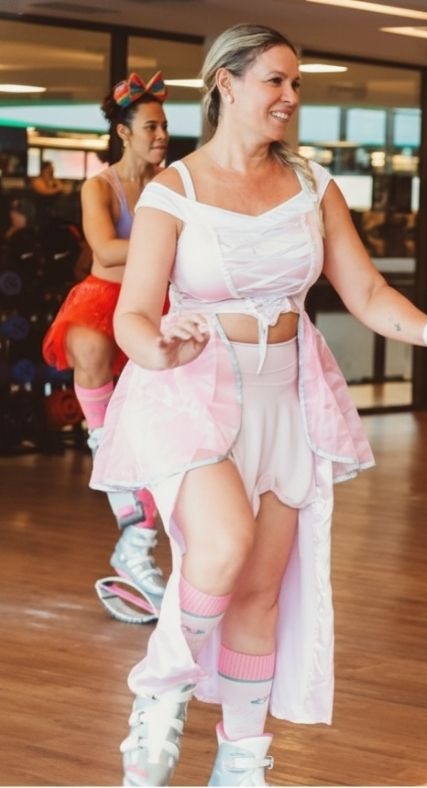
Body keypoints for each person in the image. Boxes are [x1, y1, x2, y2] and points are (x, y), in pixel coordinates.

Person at [88, 23, 427, 786]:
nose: (291, 98)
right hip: (192, 391)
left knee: (261, 595)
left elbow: (365, 291)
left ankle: (241, 762)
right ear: (226, 85)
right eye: (275, 81)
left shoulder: (312, 185)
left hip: (287, 395)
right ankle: (161, 689)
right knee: (222, 545)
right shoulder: (174, 191)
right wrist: (162, 342)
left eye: (296, 84)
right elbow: (132, 317)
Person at [42, 72, 170, 619]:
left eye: (164, 126)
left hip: (154, 302)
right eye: (150, 127)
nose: (161, 135)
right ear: (123, 132)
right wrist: (165, 241)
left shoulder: (170, 182)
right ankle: (108, 457)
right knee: (87, 347)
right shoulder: (100, 185)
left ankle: (136, 547)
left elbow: (137, 250)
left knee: (165, 431)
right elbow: (104, 248)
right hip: (105, 299)